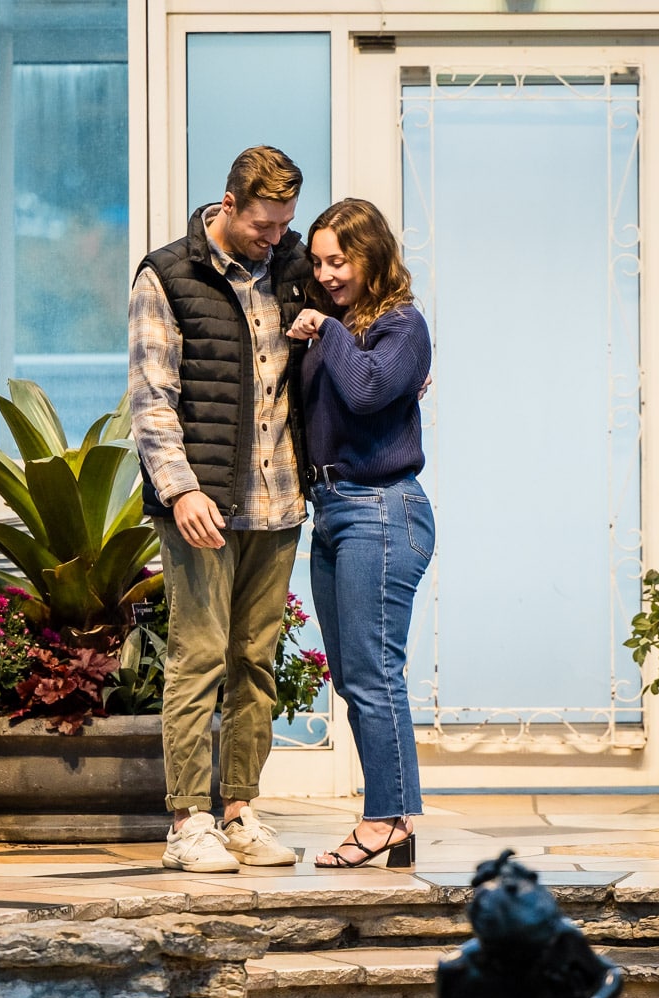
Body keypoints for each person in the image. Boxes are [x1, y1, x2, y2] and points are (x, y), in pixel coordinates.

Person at [128, 146, 312, 873]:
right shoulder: (168, 274)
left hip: (282, 501)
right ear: (230, 204)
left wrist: (399, 363)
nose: (276, 237)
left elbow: (357, 313)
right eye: (265, 224)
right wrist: (181, 489)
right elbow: (151, 397)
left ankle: (239, 812)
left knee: (256, 663)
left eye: (284, 225)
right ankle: (187, 822)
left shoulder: (294, 267)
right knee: (198, 659)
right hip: (201, 505)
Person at [286, 198, 434, 869]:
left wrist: (328, 331)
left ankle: (385, 819)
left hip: (380, 507)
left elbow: (370, 392)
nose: (327, 273)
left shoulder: (402, 324)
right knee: (354, 676)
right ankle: (394, 814)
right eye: (318, 262)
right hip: (333, 509)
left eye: (339, 260)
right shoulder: (341, 326)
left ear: (373, 255)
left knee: (376, 675)